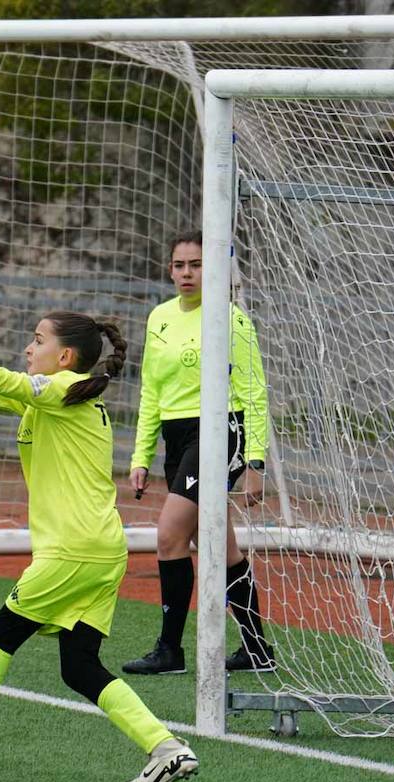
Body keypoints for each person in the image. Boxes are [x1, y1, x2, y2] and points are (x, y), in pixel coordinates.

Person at [0, 309, 198, 782]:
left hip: (71, 552)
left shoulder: (60, 391)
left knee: (0, 635)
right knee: (79, 667)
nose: (29, 349)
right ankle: (166, 749)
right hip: (99, 550)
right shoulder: (60, 398)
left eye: (37, 340)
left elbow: (6, 381)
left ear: (65, 357)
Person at [121, 230, 274, 675]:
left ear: (214, 269)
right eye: (179, 265)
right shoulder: (159, 318)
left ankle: (170, 650)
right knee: (218, 545)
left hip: (221, 429)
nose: (187, 273)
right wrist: (140, 455)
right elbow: (151, 390)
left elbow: (255, 392)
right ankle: (257, 650)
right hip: (177, 437)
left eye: (197, 264)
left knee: (170, 536)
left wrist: (256, 462)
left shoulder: (231, 319)